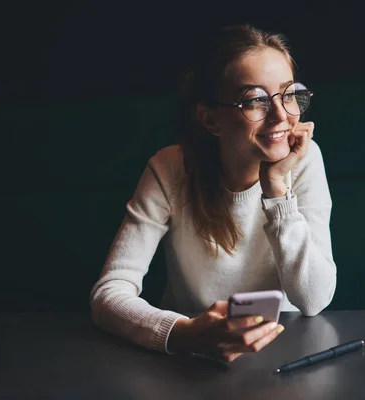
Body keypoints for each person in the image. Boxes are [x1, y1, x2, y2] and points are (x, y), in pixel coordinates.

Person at [89, 24, 337, 363]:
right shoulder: (170, 168)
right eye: (255, 100)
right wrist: (183, 334)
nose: (281, 116)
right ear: (211, 120)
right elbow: (108, 294)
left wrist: (277, 191)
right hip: (187, 357)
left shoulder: (305, 161)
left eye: (289, 94)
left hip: (286, 351)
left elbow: (314, 298)